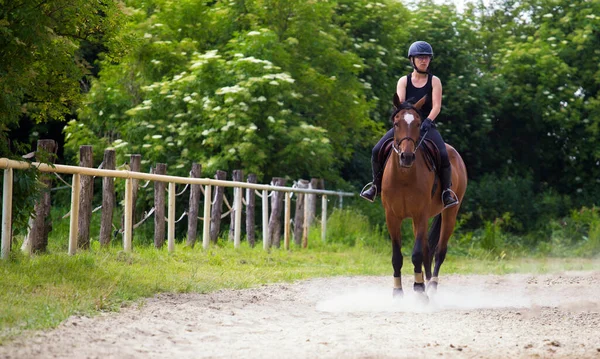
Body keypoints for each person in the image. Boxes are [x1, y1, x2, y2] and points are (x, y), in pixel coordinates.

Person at [360, 40, 459, 209]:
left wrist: (428, 121)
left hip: (426, 125)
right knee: (377, 149)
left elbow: (436, 106)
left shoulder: (434, 81)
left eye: (427, 58)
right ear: (412, 60)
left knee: (443, 153)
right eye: (420, 57)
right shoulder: (403, 81)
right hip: (406, 125)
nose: (424, 60)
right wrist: (408, 120)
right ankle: (375, 186)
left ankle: (447, 192)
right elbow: (401, 104)